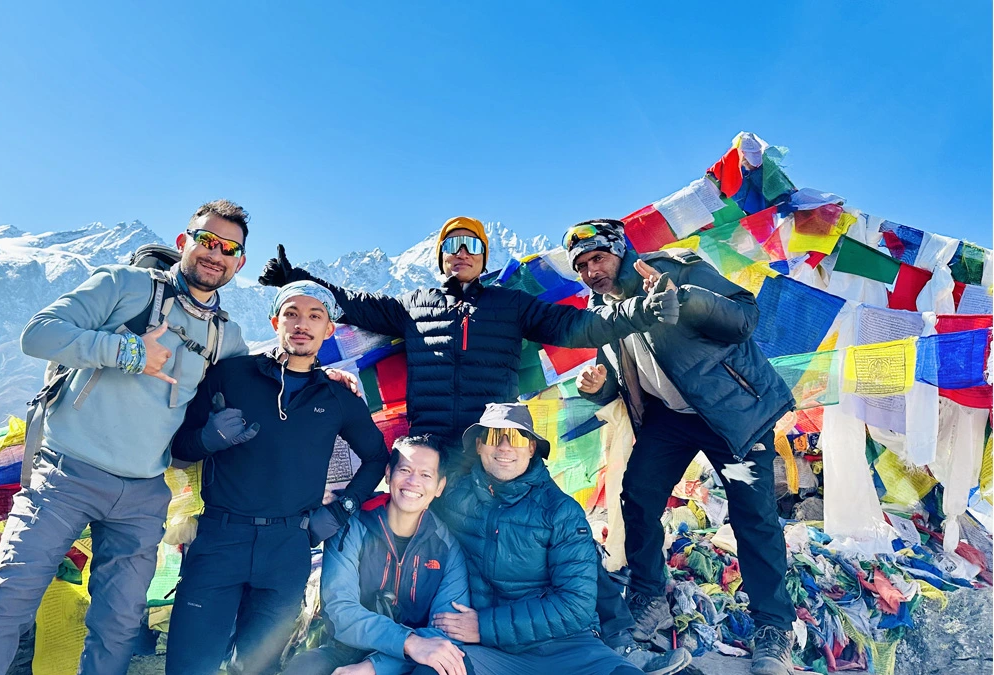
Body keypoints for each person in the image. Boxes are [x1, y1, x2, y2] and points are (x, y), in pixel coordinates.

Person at [0, 200, 254, 675]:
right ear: (183, 242)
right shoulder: (124, 285)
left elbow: (262, 384)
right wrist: (127, 351)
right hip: (66, 475)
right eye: (206, 240)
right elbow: (38, 334)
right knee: (10, 598)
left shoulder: (225, 338)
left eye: (228, 247)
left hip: (145, 493)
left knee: (119, 623)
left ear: (240, 262)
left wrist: (330, 380)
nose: (216, 253)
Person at [565, 219, 797, 675]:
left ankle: (774, 628)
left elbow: (746, 317)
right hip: (669, 420)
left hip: (731, 413)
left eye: (598, 258)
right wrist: (596, 386)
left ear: (620, 251)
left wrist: (687, 300)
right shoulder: (599, 310)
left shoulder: (673, 269)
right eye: (582, 265)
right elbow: (617, 375)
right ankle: (649, 599)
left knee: (754, 517)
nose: (592, 270)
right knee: (638, 498)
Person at [256, 216, 678, 465]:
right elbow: (351, 304)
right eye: (451, 245)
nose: (461, 252)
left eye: (471, 244)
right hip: (431, 448)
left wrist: (642, 311)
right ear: (441, 255)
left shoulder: (512, 305)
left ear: (483, 256)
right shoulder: (413, 306)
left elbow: (580, 326)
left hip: (495, 442)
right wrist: (299, 281)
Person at [166, 280, 391, 675]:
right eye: (291, 314)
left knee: (256, 668)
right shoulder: (230, 375)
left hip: (289, 548)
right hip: (220, 541)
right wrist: (207, 439)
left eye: (314, 316)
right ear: (275, 321)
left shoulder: (337, 398)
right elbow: (178, 448)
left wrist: (340, 512)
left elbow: (376, 458)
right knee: (190, 665)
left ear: (329, 330)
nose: (301, 324)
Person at [428, 403, 690, 675]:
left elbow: (576, 604)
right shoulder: (452, 497)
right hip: (492, 653)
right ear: (479, 446)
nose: (505, 447)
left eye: (516, 438)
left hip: (563, 645)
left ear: (531, 449)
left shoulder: (560, 511)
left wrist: (483, 626)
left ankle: (624, 649)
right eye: (495, 437)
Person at [283, 435, 472, 675]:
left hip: (414, 658)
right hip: (351, 648)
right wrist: (406, 642)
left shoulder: (447, 546)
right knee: (305, 668)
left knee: (440, 668)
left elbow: (447, 630)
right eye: (405, 470)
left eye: (426, 475)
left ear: (440, 486)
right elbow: (340, 610)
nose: (414, 482)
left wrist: (375, 667)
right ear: (388, 474)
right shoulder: (351, 526)